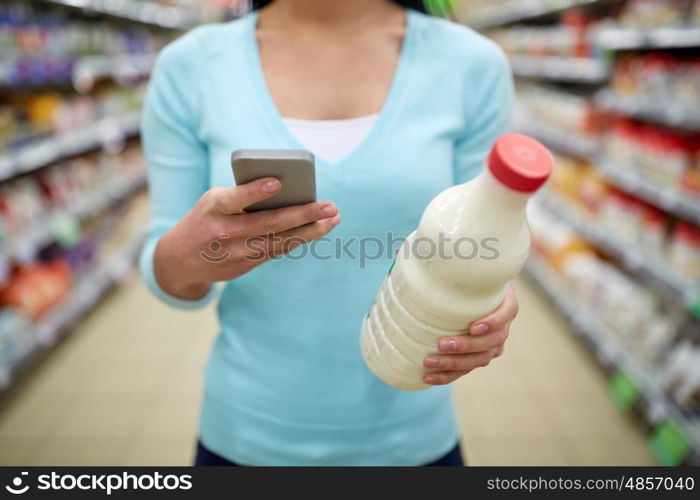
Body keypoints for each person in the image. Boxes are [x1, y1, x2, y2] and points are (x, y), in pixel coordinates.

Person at [140, 0, 518, 466]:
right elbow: (169, 276)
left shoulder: (472, 64)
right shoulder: (191, 66)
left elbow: (488, 237)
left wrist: (492, 304)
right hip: (246, 435)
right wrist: (188, 253)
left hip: (412, 437)